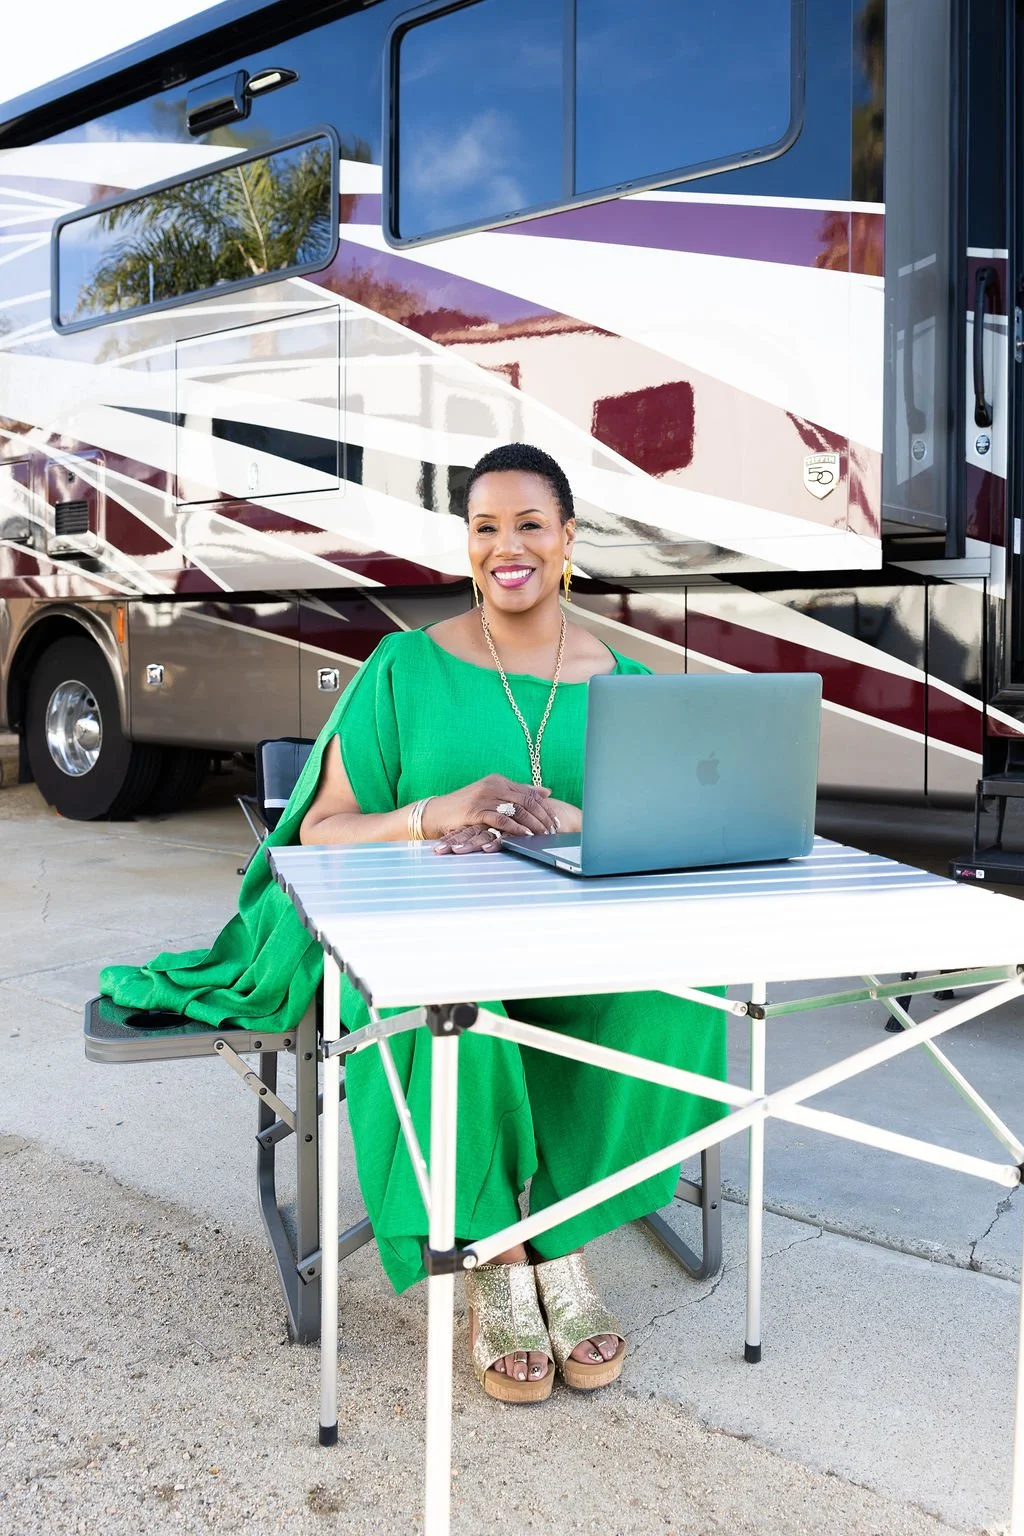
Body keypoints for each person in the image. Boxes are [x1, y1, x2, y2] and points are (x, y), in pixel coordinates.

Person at [101, 442, 727, 1405]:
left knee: (674, 995)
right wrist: (431, 814)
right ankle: (489, 1251)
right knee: (453, 1008)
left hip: (571, 943)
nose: (505, 547)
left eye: (528, 525)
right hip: (423, 943)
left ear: (569, 541)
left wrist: (574, 820)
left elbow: (658, 836)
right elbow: (323, 828)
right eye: (484, 528)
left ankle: (562, 1230)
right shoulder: (402, 667)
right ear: (466, 546)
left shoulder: (631, 686)